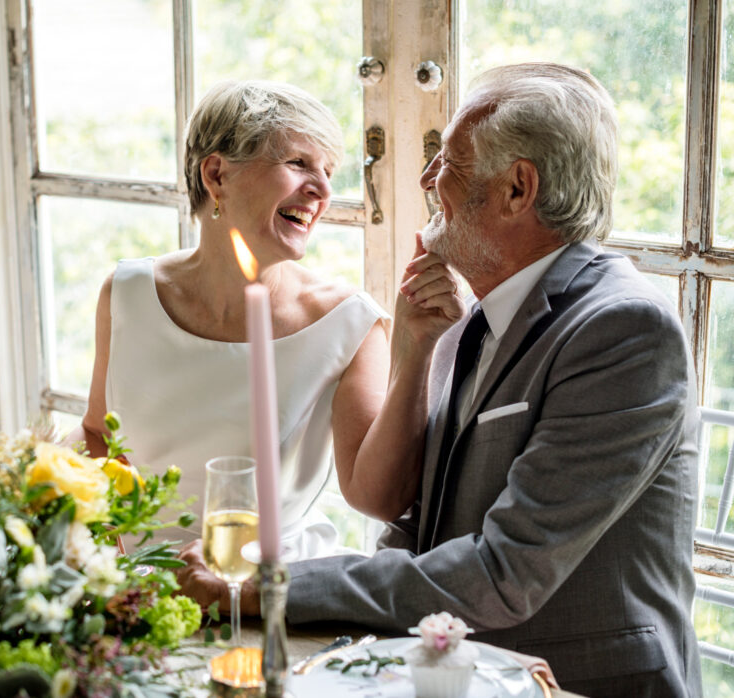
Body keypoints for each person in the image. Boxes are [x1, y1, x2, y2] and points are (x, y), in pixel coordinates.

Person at [178, 63, 702, 697]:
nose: (427, 180)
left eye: (447, 160)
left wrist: (272, 586)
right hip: (450, 674)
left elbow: (505, 570)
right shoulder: (466, 321)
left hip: (576, 685)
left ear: (517, 188)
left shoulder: (622, 331)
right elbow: (417, 525)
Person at [79, 80, 395, 559]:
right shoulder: (126, 293)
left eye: (328, 171)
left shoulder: (349, 324)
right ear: (217, 175)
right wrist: (103, 547)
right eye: (298, 163)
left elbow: (375, 496)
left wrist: (418, 346)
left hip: (274, 590)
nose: (324, 190)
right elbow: (98, 436)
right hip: (137, 582)